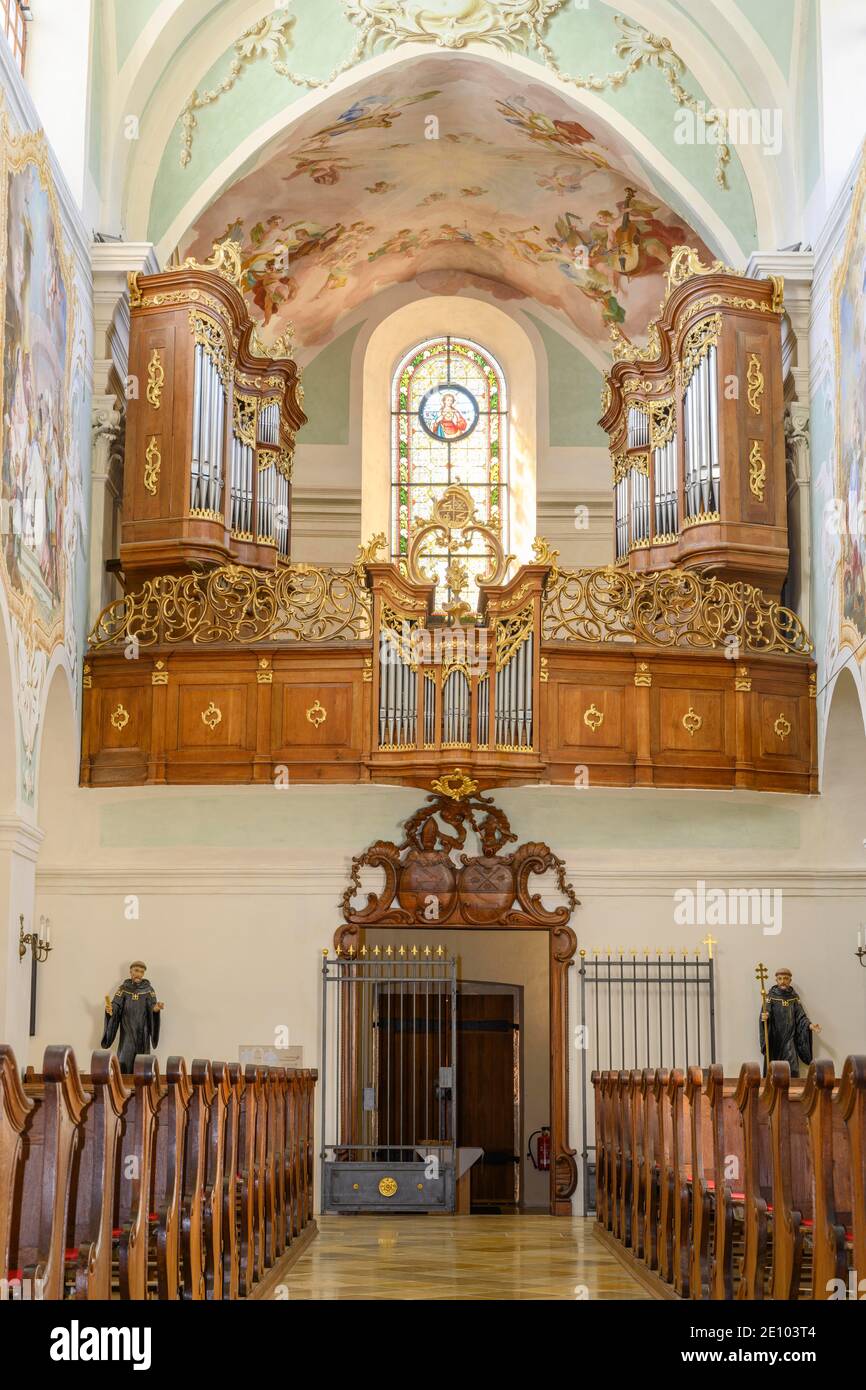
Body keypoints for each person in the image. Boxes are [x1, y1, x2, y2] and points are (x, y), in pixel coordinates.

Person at [101, 961, 164, 1074]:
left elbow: (152, 1007)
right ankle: (124, 1085)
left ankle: (143, 1085)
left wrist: (156, 1009)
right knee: (125, 1058)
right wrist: (111, 1010)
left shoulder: (149, 990)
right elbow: (116, 1004)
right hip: (127, 1030)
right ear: (130, 971)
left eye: (141, 971)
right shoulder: (123, 989)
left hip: (143, 1031)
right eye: (136, 971)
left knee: (142, 1061)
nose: (138, 974)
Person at [759, 967, 820, 1076]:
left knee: (792, 1069)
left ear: (790, 980)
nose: (783, 981)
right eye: (780, 978)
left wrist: (810, 1026)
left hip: (789, 1039)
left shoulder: (794, 998)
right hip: (775, 1039)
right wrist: (764, 1016)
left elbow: (801, 1017)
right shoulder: (770, 997)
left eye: (786, 978)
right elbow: (766, 1011)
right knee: (774, 1069)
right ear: (776, 980)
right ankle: (773, 1090)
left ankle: (792, 1091)